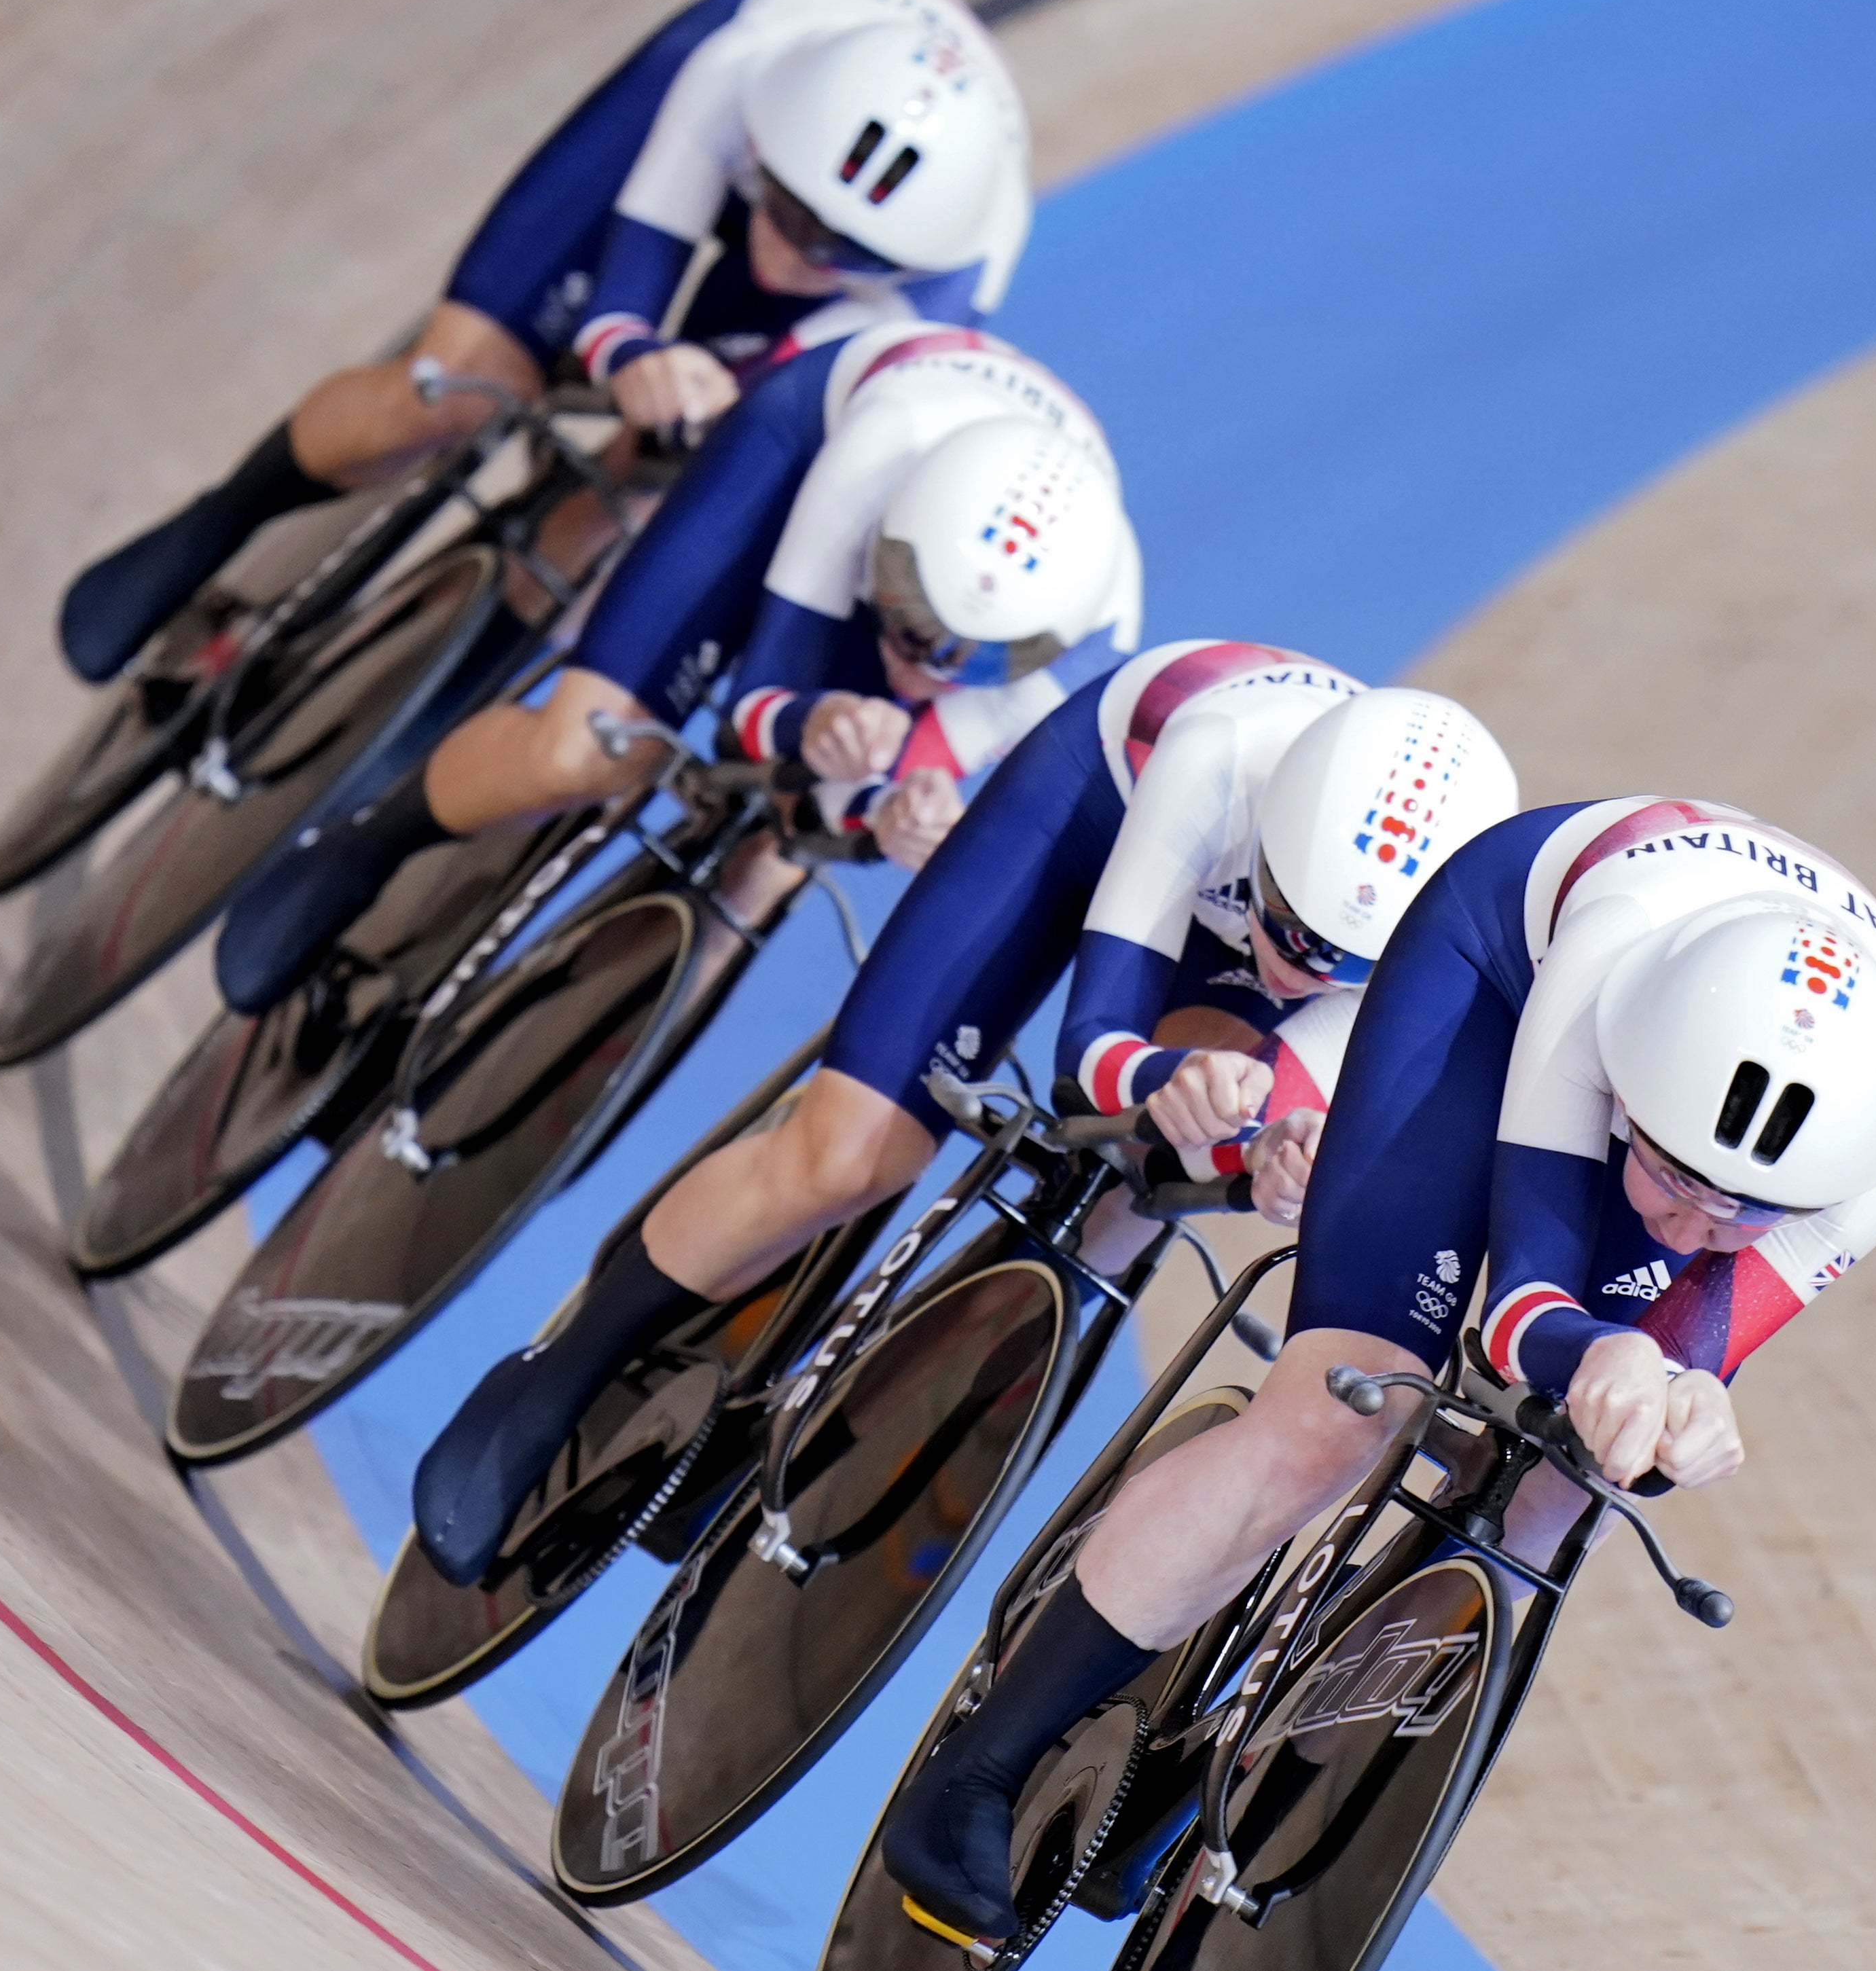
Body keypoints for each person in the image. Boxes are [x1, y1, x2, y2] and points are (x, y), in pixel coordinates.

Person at [880, 795, 1876, 1949]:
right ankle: (974, 1775)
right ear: (1628, 1105)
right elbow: (1523, 1310)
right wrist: (1608, 1348)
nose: (1692, 1226)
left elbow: (1693, 1349)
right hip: (1495, 977)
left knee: (1570, 1481)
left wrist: (1690, 1409)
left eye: (1739, 1214)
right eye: (1672, 1182)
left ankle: (1249, 1791)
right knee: (1344, 1407)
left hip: (1710, 1072)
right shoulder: (1603, 990)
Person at [403, 650, 1524, 1587]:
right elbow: (1095, 1045)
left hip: (1272, 969)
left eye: (1340, 959)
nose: (1300, 961)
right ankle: (552, 1380)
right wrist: (1151, 1080)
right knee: (850, 1153)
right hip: (1091, 815)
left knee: (1147, 1190)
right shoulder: (1221, 757)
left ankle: (877, 1400)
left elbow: (1330, 1128)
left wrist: (1270, 1144)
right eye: (1288, 918)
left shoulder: (1446, 965)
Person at [56, 0, 1031, 685]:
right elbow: (643, 243)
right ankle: (216, 525)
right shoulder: (733, 66)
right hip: (714, 129)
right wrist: (629, 347)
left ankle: (417, 711)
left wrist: (690, 416)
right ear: (766, 155)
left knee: (646, 490)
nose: (794, 250)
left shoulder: (945, 286)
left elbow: (780, 411)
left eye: (841, 249)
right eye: (787, 210)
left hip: (831, 305)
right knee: (450, 388)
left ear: (901, 262)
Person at [209, 319, 1135, 1014]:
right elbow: (763, 694)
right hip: (800, 451)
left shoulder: (1092, 638)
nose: (923, 664)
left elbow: (904, 790)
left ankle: (577, 1062)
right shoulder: (878, 449)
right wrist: (808, 723)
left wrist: (905, 806)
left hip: (949, 546)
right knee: (584, 753)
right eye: (909, 624)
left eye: (960, 662)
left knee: (779, 852)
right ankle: (375, 840)